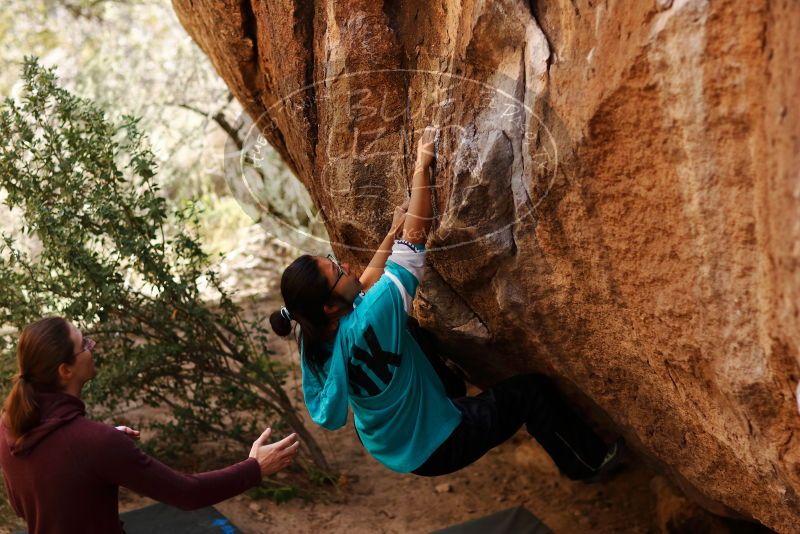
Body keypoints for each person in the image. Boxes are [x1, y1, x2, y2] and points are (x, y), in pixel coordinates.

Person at [269, 127, 623, 479]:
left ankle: (447, 391)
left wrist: (391, 231)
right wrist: (422, 168)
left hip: (391, 442)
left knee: (410, 331)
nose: (344, 266)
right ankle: (589, 464)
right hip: (438, 445)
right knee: (533, 393)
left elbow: (362, 286)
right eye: (336, 270)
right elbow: (416, 239)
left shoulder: (315, 333)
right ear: (330, 306)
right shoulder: (372, 316)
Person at [0, 316, 300, 534]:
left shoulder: (9, 425)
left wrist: (95, 456)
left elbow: (24, 504)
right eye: (84, 345)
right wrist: (254, 468)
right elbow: (187, 493)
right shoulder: (95, 443)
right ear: (65, 370)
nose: (93, 345)